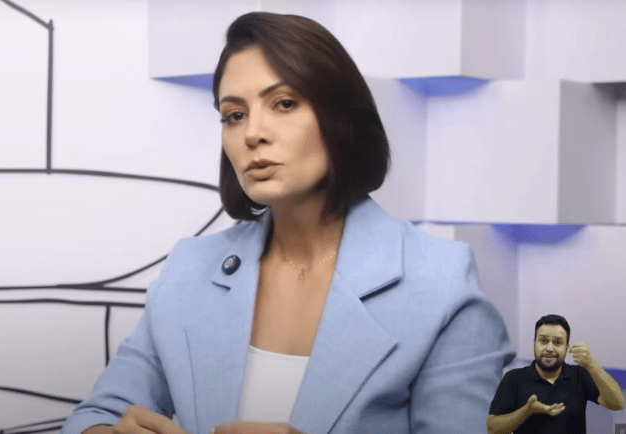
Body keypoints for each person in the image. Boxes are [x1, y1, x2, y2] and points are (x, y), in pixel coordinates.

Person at [62, 12, 514, 434]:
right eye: (234, 115)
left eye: (283, 103)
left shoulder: (441, 282)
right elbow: (97, 414)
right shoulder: (190, 267)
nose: (252, 133)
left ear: (340, 117)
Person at [487, 315, 625, 434]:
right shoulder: (514, 378)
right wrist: (527, 410)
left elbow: (617, 403)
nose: (549, 348)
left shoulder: (580, 375)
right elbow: (492, 429)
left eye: (557, 342)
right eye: (543, 341)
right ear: (534, 343)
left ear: (566, 348)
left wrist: (591, 364)